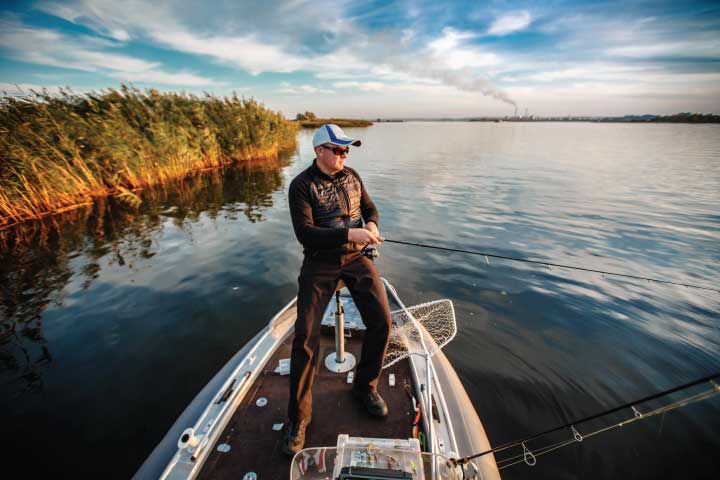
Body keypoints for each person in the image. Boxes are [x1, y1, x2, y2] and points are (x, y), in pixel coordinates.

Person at [282, 124, 393, 456]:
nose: (345, 155)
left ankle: (365, 388)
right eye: (339, 149)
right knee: (305, 338)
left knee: (382, 322)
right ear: (320, 151)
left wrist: (370, 226)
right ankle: (298, 418)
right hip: (321, 263)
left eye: (347, 150)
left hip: (357, 259)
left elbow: (370, 210)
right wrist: (350, 234)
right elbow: (306, 233)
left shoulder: (353, 176)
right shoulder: (301, 185)